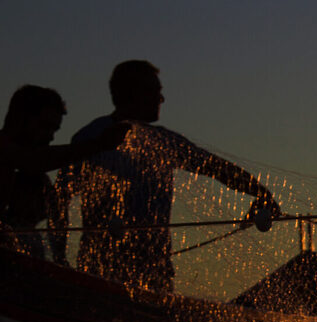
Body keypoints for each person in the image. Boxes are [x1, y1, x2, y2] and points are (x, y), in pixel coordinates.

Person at [51, 60, 280, 292]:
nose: (161, 100)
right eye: (155, 92)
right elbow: (61, 197)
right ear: (133, 93)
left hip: (154, 269)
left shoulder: (164, 141)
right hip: (101, 267)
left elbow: (217, 168)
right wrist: (58, 258)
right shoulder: (93, 137)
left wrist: (261, 193)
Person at [0, 85, 127, 258]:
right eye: (45, 126)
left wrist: (60, 258)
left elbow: (56, 214)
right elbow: (31, 159)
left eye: (54, 129)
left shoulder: (37, 177)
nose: (51, 136)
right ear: (20, 118)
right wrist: (99, 145)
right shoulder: (10, 153)